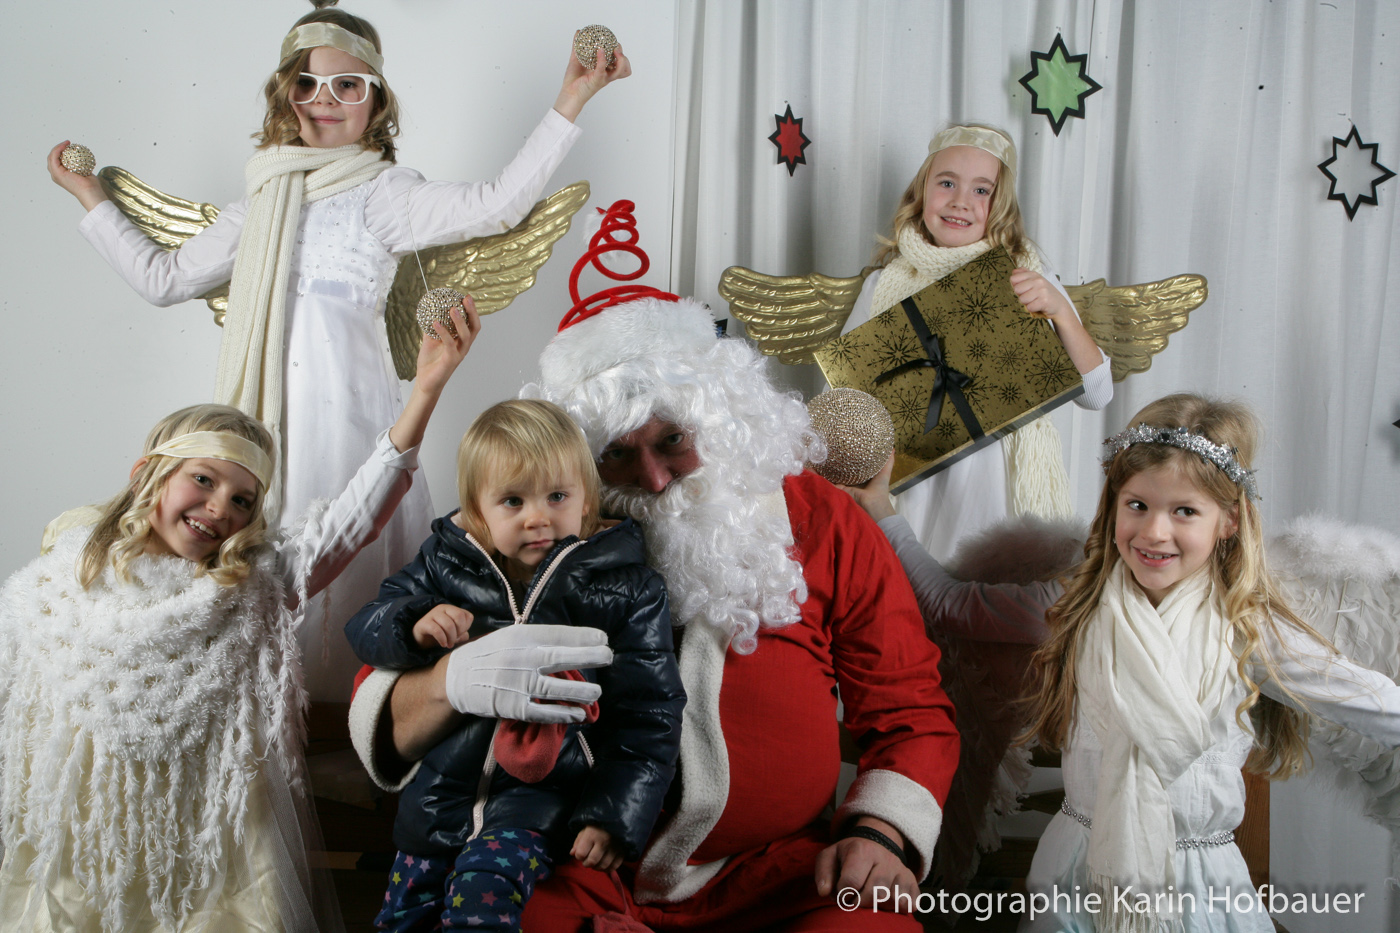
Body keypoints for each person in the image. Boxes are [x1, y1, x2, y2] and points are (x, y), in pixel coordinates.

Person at [349, 202, 960, 931]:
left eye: (673, 439)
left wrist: (881, 832)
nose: (655, 479)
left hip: (780, 877)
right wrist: (450, 679)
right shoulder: (530, 527)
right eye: (616, 455)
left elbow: (909, 706)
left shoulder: (822, 519)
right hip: (574, 868)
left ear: (721, 415)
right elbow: (386, 683)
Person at [45, 2, 630, 699]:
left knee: (348, 552)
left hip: (350, 419)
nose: (325, 101)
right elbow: (163, 278)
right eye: (307, 84)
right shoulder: (259, 203)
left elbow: (497, 204)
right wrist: (90, 195)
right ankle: (267, 707)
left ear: (375, 101)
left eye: (347, 85)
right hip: (266, 428)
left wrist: (572, 97)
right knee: (268, 557)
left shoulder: (383, 194)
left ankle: (360, 710)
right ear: (284, 95)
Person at [0, 304, 477, 932]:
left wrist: (426, 391)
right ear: (148, 476)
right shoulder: (72, 561)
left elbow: (352, 522)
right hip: (87, 836)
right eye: (203, 479)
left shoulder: (249, 583)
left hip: (208, 851)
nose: (220, 508)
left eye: (242, 500)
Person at [859, 392, 1400, 933]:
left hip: (1201, 883)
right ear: (1113, 504)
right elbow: (948, 603)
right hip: (1074, 872)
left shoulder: (1247, 627)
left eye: (1184, 511)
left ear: (1229, 521)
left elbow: (1372, 702)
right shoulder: (1071, 607)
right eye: (1137, 505)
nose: (1154, 532)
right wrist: (880, 507)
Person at [343, 398, 685, 932]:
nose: (537, 517)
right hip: (436, 798)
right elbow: (364, 625)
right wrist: (412, 623)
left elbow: (650, 715)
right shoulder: (445, 561)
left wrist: (614, 816)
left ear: (586, 498)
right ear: (478, 511)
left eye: (557, 496)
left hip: (540, 801)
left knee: (482, 909)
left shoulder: (629, 588)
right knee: (401, 918)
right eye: (512, 500)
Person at [843, 123, 1113, 563]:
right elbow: (844, 397)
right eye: (946, 183)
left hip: (996, 482)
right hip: (913, 487)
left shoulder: (1027, 277)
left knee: (989, 592)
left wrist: (1060, 313)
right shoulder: (882, 285)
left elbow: (1097, 395)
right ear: (922, 191)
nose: (960, 201)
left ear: (1000, 204)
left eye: (982, 190)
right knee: (917, 588)